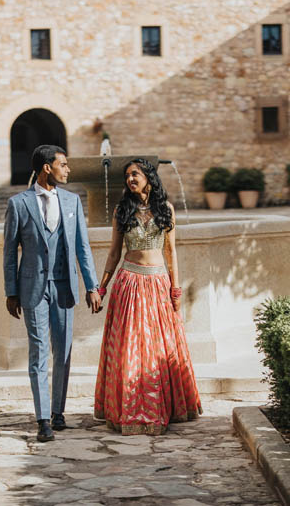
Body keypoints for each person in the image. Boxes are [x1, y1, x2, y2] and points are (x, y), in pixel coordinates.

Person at [93, 158, 202, 435]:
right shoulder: (122, 210)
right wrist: (101, 287)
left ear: (148, 177)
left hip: (157, 283)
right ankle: (128, 409)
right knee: (129, 349)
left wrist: (175, 289)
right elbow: (113, 254)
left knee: (159, 348)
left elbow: (171, 253)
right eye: (127, 176)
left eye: (135, 174)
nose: (130, 179)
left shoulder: (165, 209)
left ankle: (164, 408)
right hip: (129, 282)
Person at [3, 144, 101, 442]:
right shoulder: (19, 203)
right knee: (38, 353)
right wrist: (11, 291)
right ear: (47, 167)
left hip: (64, 286)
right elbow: (10, 251)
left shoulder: (72, 202)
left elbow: (83, 249)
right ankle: (43, 419)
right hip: (32, 288)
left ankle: (58, 411)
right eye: (64, 164)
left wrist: (92, 285)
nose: (68, 169)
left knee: (64, 351)